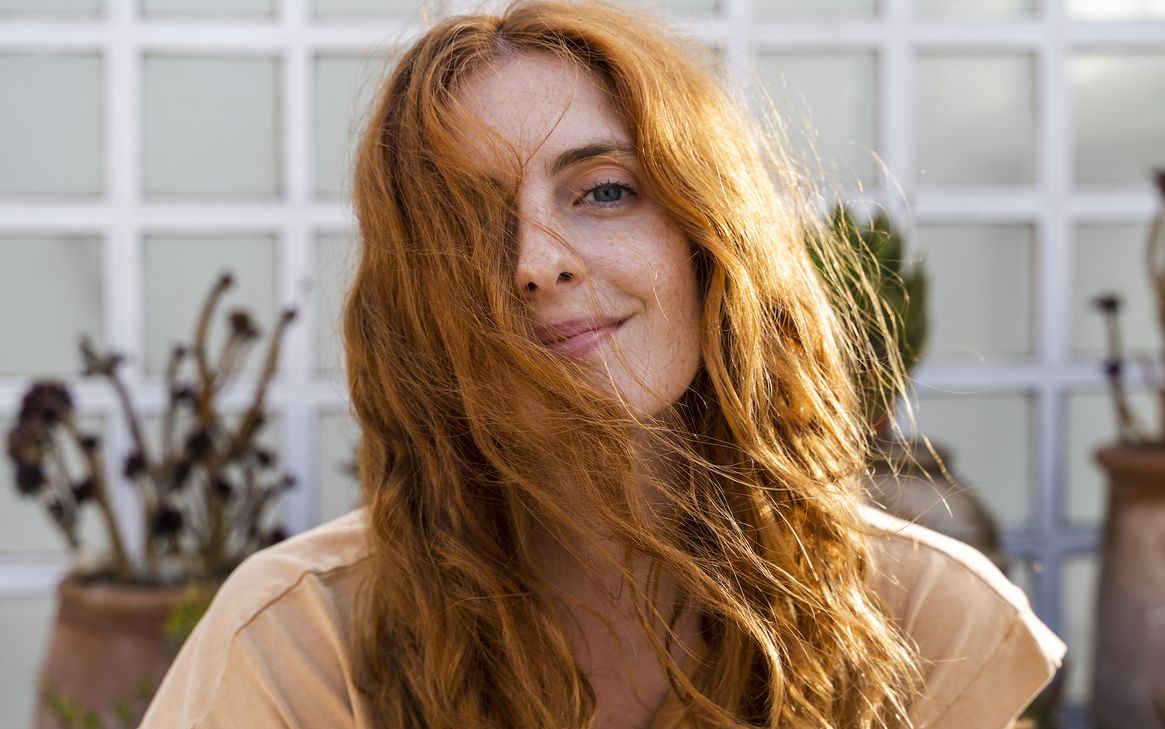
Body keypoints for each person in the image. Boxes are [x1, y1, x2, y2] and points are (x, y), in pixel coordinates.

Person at [140, 1, 1065, 727]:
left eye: (606, 191)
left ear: (708, 238)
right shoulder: (296, 642)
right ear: (418, 316)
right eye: (471, 226)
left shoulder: (924, 615)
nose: (538, 261)